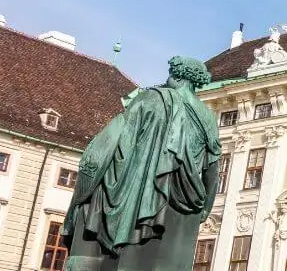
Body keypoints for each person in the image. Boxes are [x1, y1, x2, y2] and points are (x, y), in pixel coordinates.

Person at [63, 56, 222, 270]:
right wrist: (206, 207)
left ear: (177, 77)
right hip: (187, 199)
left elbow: (118, 139)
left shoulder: (151, 98)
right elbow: (212, 168)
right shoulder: (208, 117)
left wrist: (90, 182)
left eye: (170, 74)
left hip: (143, 189)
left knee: (92, 204)